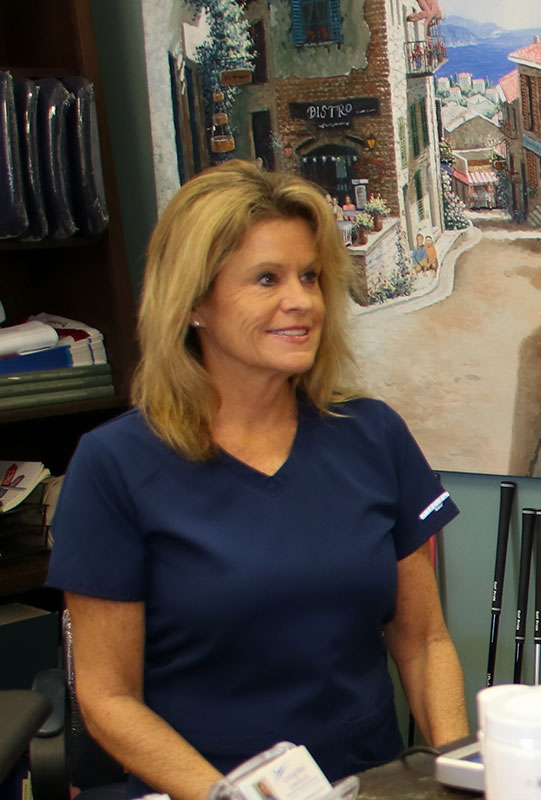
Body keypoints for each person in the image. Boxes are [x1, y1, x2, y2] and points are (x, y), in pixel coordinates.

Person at [47, 162, 469, 799]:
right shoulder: (113, 466)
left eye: (310, 277)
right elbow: (107, 697)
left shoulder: (372, 434)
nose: (300, 300)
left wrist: (456, 775)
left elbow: (424, 640)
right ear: (194, 303)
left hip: (369, 782)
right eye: (267, 279)